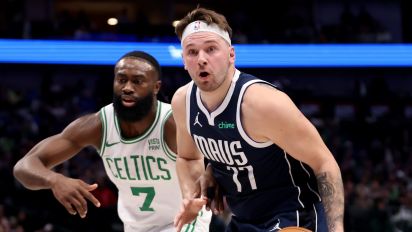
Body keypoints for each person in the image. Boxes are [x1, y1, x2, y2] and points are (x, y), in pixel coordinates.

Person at [171, 7, 345, 232]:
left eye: (211, 49)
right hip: (243, 219)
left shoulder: (262, 103)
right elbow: (186, 157)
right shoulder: (183, 101)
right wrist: (193, 194)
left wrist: (336, 228)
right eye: (192, 52)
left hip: (292, 215)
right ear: (183, 59)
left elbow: (324, 163)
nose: (201, 59)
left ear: (231, 55)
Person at [13, 51, 211, 232]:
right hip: (135, 227)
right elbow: (23, 167)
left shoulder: (172, 123)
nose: (127, 88)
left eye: (137, 81)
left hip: (185, 220)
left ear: (155, 87)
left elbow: (209, 163)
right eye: (121, 80)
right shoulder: (97, 126)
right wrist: (54, 180)